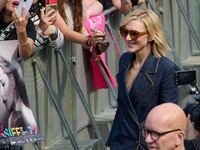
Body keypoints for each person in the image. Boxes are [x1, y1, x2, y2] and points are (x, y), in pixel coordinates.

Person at [105, 8, 179, 150]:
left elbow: (169, 119)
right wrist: (109, 144)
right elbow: (122, 108)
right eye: (124, 32)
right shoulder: (125, 60)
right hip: (120, 142)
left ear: (151, 36)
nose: (127, 38)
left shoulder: (166, 68)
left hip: (146, 145)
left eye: (134, 34)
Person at [0, 56, 37, 129]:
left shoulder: (26, 115)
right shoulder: (11, 118)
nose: (2, 95)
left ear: (12, 80)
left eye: (3, 84)